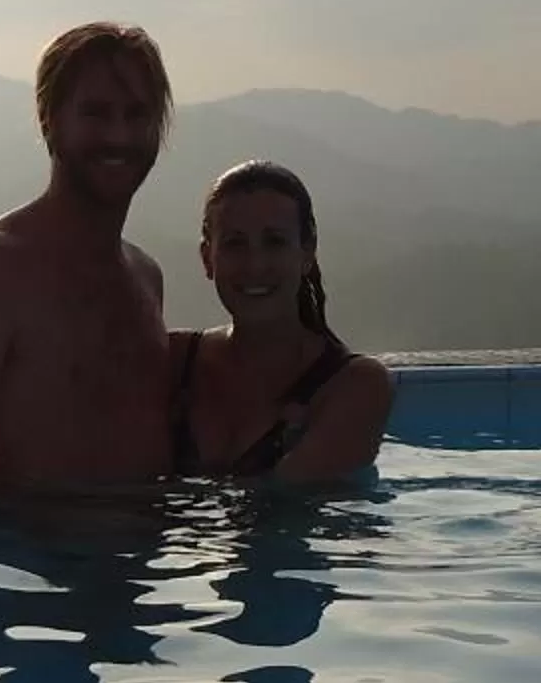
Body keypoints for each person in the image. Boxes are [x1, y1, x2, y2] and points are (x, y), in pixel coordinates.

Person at [0, 22, 175, 491]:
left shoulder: (145, 277)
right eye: (96, 113)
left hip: (141, 559)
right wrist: (19, 524)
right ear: (50, 119)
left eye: (137, 115)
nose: (119, 136)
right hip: (30, 561)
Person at [168, 159, 392, 481]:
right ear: (207, 259)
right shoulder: (174, 364)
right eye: (235, 244)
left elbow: (284, 513)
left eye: (274, 242)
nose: (255, 265)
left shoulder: (354, 386)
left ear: (307, 252)